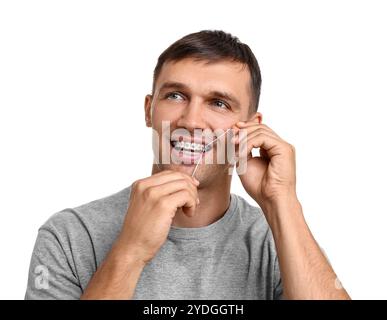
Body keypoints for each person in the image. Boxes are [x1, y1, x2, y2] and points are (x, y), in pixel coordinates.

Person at [25, 30, 350, 300]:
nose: (191, 121)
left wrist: (282, 201)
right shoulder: (70, 235)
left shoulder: (278, 240)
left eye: (218, 103)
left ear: (251, 128)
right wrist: (130, 252)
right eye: (176, 96)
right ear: (149, 110)